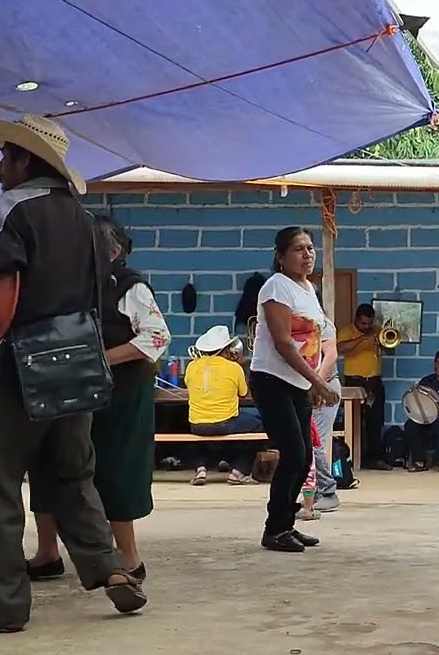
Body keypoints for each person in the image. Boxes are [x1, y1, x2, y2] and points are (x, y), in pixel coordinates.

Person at [0, 114, 146, 633]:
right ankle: (110, 569)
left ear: (25, 159)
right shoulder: (85, 222)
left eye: (4, 156)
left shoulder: (12, 208)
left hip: (23, 363)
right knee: (73, 476)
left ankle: (1, 608)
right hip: (83, 362)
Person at [25, 215, 169, 583]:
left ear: (113, 251)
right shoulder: (72, 284)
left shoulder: (130, 287)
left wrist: (100, 358)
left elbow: (156, 338)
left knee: (117, 471)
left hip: (120, 395)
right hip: (68, 389)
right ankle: (47, 553)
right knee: (48, 466)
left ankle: (130, 559)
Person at [250, 226, 340, 553]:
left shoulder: (307, 289)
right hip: (272, 380)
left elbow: (317, 341)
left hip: (299, 383)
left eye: (310, 248)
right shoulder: (276, 287)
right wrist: (319, 382)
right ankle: (274, 529)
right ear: (281, 256)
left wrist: (313, 380)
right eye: (299, 250)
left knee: (303, 460)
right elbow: (285, 343)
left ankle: (286, 524)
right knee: (294, 454)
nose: (307, 255)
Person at [184, 325, 262, 486]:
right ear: (226, 349)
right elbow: (244, 393)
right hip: (225, 422)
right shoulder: (234, 368)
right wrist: (239, 364)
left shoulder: (191, 366)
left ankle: (200, 468)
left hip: (196, 425)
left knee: (200, 431)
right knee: (258, 425)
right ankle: (239, 471)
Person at [338, 303, 391, 470]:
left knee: (375, 421)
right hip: (354, 380)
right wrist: (362, 338)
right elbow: (339, 349)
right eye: (363, 324)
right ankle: (353, 458)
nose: (367, 327)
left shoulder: (377, 331)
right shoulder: (346, 331)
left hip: (374, 381)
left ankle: (374, 458)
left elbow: (390, 351)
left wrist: (382, 342)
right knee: (355, 421)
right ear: (356, 320)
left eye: (369, 323)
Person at [310, 292, 342, 512]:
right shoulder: (297, 325)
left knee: (316, 443)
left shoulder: (322, 324)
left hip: (324, 386)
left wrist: (318, 385)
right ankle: (310, 494)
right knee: (305, 444)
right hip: (305, 390)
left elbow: (330, 356)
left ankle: (328, 491)